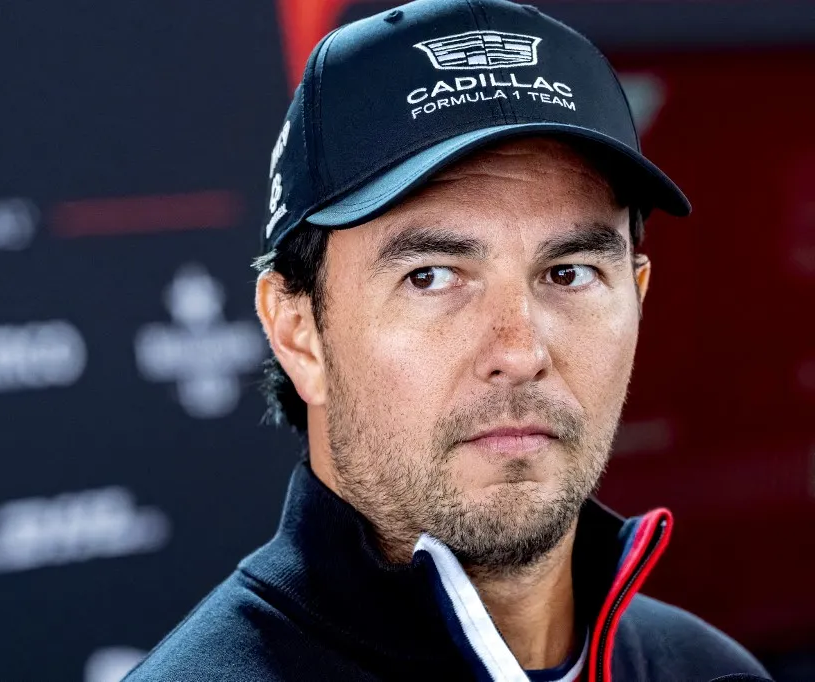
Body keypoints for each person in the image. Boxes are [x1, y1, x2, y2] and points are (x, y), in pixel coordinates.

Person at [126, 0, 772, 680]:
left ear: (637, 300)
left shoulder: (711, 671)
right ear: (299, 332)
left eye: (569, 272)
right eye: (431, 277)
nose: (520, 352)